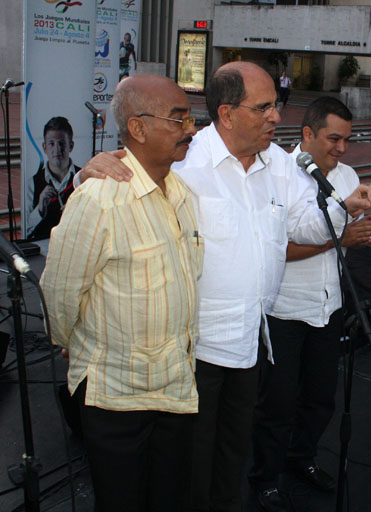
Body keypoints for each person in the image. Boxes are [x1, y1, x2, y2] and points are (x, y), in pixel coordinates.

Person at [77, 61, 371, 512]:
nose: (276, 116)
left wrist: (344, 206)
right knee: (191, 465)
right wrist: (87, 172)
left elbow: (304, 225)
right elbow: (118, 185)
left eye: (275, 105)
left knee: (232, 455)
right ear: (226, 114)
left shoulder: (279, 164)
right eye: (263, 107)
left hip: (250, 341)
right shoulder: (186, 159)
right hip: (194, 348)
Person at [40, 74, 203, 512]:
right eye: (179, 119)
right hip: (117, 398)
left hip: (176, 389)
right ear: (138, 128)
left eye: (190, 118)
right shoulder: (99, 200)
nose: (190, 128)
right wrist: (75, 344)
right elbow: (59, 292)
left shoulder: (181, 193)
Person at [248, 96, 371, 512]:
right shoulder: (278, 175)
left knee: (321, 398)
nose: (342, 149)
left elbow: (347, 233)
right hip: (285, 308)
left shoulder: (348, 176)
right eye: (333, 139)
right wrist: (340, 238)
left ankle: (301, 458)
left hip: (329, 305)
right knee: (276, 404)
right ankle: (265, 478)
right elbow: (278, 249)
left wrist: (363, 233)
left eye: (347, 140)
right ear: (307, 133)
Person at [26, 116, 79, 240]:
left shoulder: (83, 177)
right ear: (44, 147)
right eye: (51, 144)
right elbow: (26, 230)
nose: (57, 149)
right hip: (43, 246)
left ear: (71, 146)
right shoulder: (32, 183)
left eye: (62, 143)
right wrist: (40, 209)